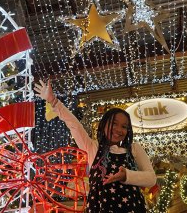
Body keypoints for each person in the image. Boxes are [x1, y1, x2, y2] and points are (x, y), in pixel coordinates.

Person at [34, 80, 156, 213]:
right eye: (114, 124)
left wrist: (126, 175)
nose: (118, 129)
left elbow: (151, 179)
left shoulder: (134, 149)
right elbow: (74, 124)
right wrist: (53, 101)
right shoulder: (93, 147)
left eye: (124, 126)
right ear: (103, 125)